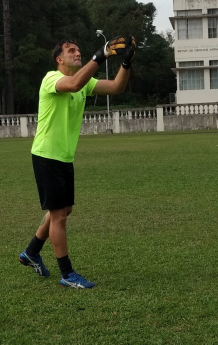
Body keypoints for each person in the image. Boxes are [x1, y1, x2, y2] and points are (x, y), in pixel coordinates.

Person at [19, 35, 136, 289]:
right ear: (59, 59)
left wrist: (125, 64)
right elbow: (72, 84)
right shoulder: (52, 78)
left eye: (79, 50)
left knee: (62, 210)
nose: (77, 53)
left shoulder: (86, 82)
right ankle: (67, 274)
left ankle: (31, 252)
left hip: (64, 156)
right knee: (59, 214)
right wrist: (100, 55)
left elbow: (116, 88)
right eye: (71, 50)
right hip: (46, 155)